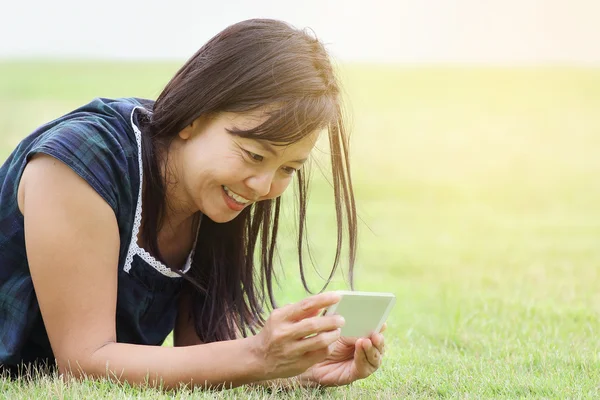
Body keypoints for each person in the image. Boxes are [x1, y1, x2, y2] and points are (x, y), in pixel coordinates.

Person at [0, 18, 386, 389]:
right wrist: (257, 354)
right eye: (254, 155)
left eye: (288, 168)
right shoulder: (81, 162)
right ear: (192, 117)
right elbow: (83, 362)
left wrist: (301, 367)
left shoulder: (214, 193)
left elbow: (202, 354)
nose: (263, 186)